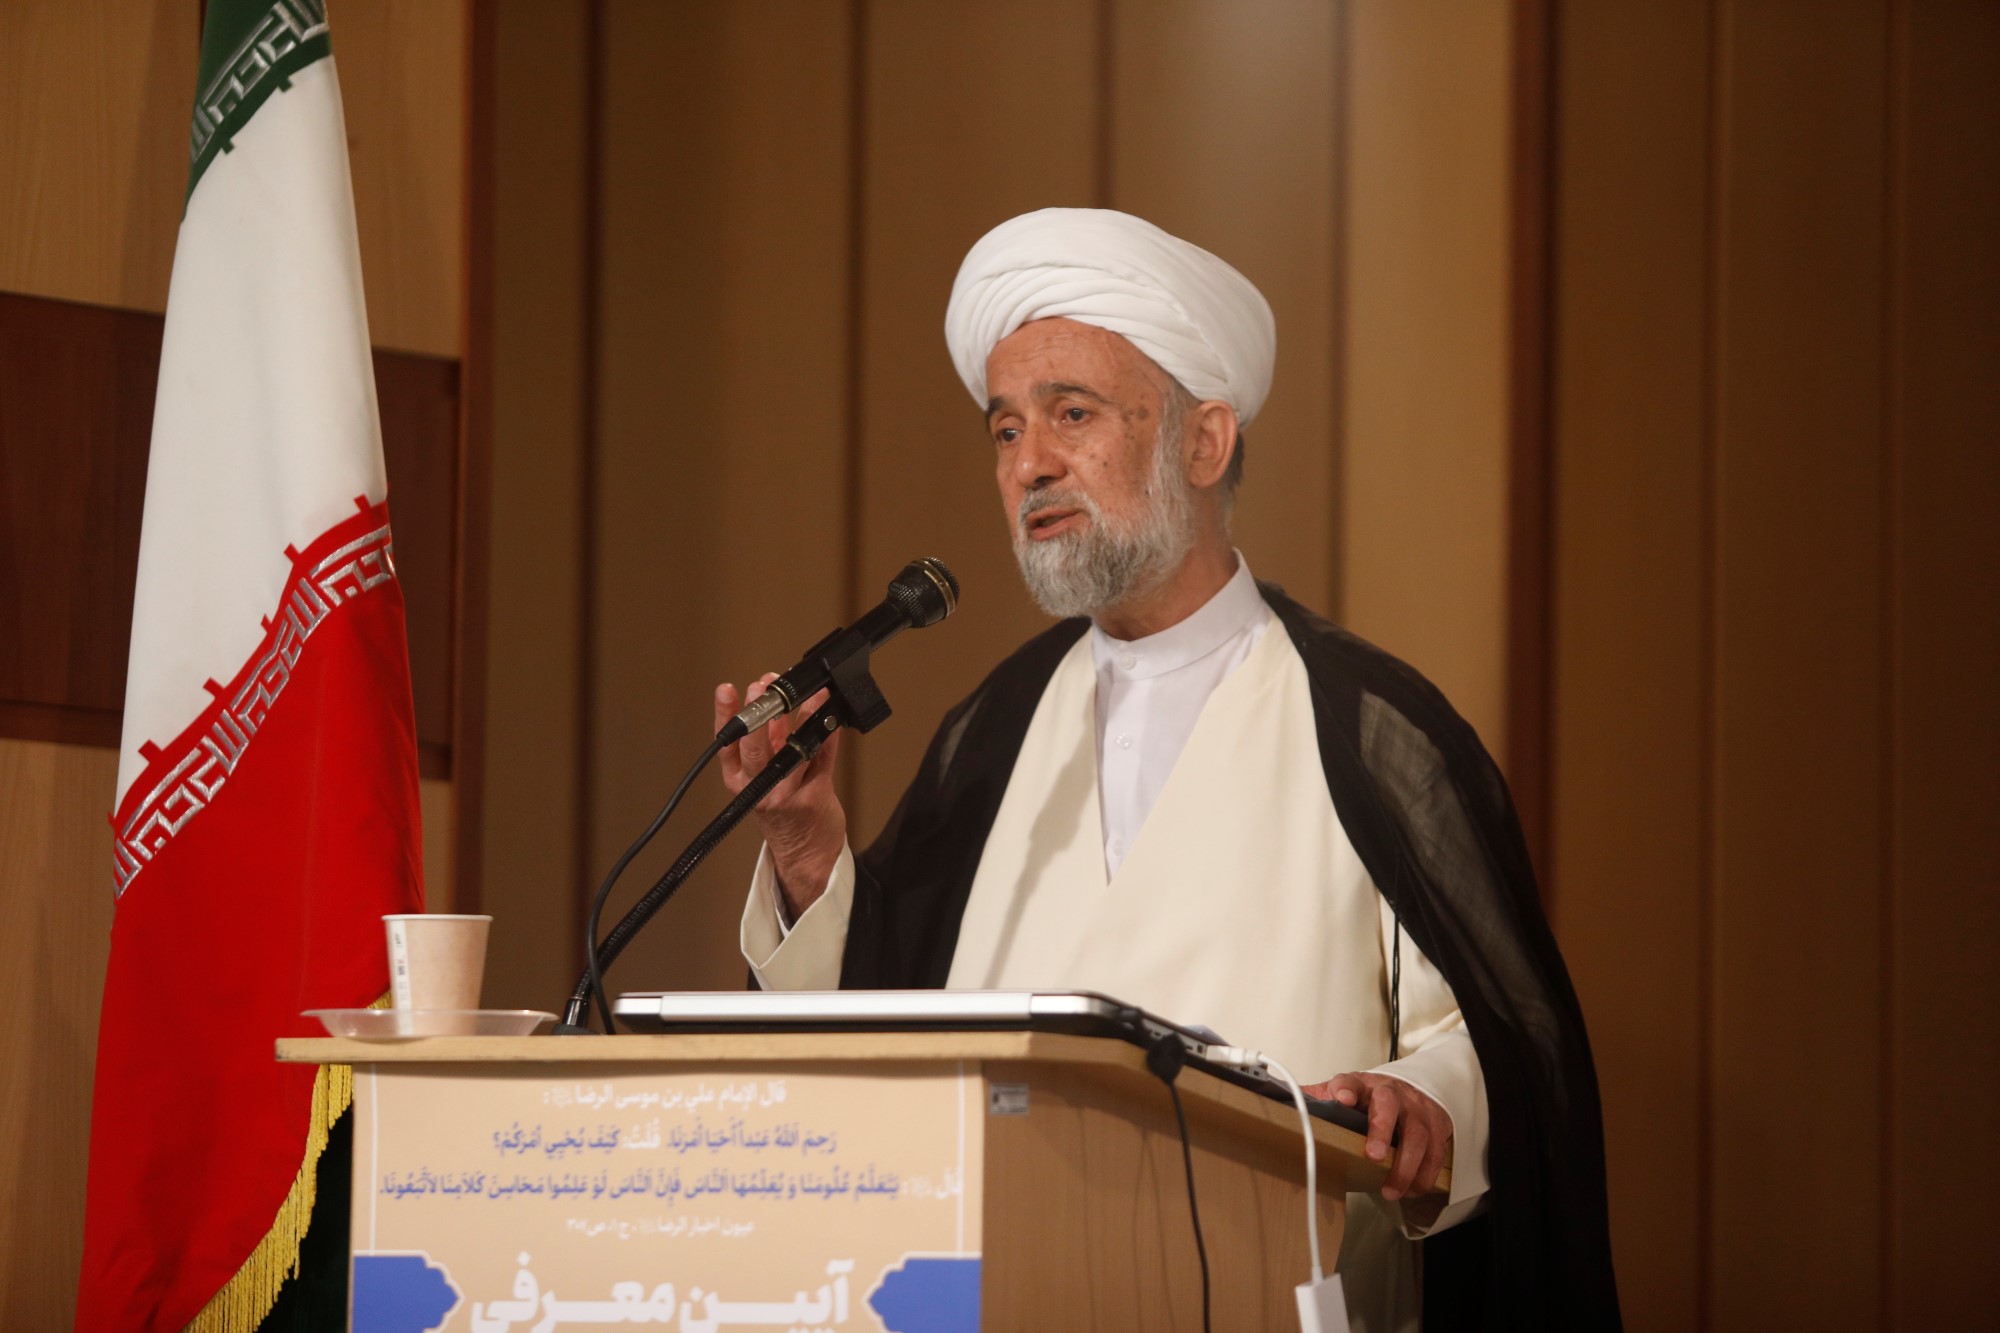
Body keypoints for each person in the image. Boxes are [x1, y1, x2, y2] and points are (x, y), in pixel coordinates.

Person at [713, 208, 1618, 1331]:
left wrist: (1418, 1098)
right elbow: (882, 1030)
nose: (1029, 464)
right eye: (1005, 429)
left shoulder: (1367, 726)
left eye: (1072, 414)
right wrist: (806, 851)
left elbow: (1493, 1040)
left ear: (1204, 442)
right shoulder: (992, 729)